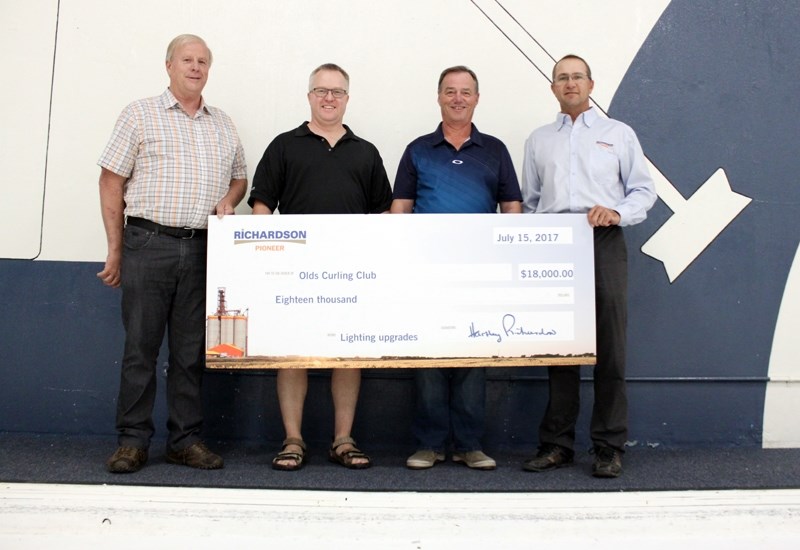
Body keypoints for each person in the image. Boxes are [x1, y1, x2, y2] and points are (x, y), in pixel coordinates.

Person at [97, 34, 248, 473]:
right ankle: (132, 441)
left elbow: (239, 176)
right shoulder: (139, 114)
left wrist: (230, 198)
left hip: (203, 247)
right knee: (141, 350)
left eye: (203, 61)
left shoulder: (222, 123)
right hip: (147, 243)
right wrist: (115, 251)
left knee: (190, 352)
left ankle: (185, 440)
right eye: (187, 59)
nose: (195, 67)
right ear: (169, 66)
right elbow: (110, 182)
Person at [248, 63, 392, 471]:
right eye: (321, 91)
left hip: (351, 273)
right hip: (292, 272)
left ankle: (342, 439)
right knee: (291, 355)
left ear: (347, 98)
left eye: (337, 92)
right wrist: (266, 260)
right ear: (309, 96)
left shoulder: (366, 152)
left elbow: (383, 213)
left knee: (348, 354)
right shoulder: (283, 146)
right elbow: (262, 207)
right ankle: (293, 439)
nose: (329, 98)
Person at [521, 54, 656, 478]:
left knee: (610, 348)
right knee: (560, 347)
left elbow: (643, 191)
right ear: (553, 88)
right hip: (556, 247)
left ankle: (608, 446)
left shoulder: (618, 134)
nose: (570, 83)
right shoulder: (539, 139)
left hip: (602, 240)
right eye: (562, 78)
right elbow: (530, 201)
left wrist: (616, 213)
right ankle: (557, 444)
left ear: (591, 85)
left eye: (577, 77)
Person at [391, 66, 522, 470]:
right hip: (426, 272)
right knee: (428, 359)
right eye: (450, 91)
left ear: (477, 99)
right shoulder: (417, 149)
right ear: (439, 97)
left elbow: (512, 210)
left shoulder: (495, 150)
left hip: (479, 274)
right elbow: (400, 211)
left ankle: (469, 444)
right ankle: (428, 444)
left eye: (466, 92)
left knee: (472, 355)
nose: (458, 98)